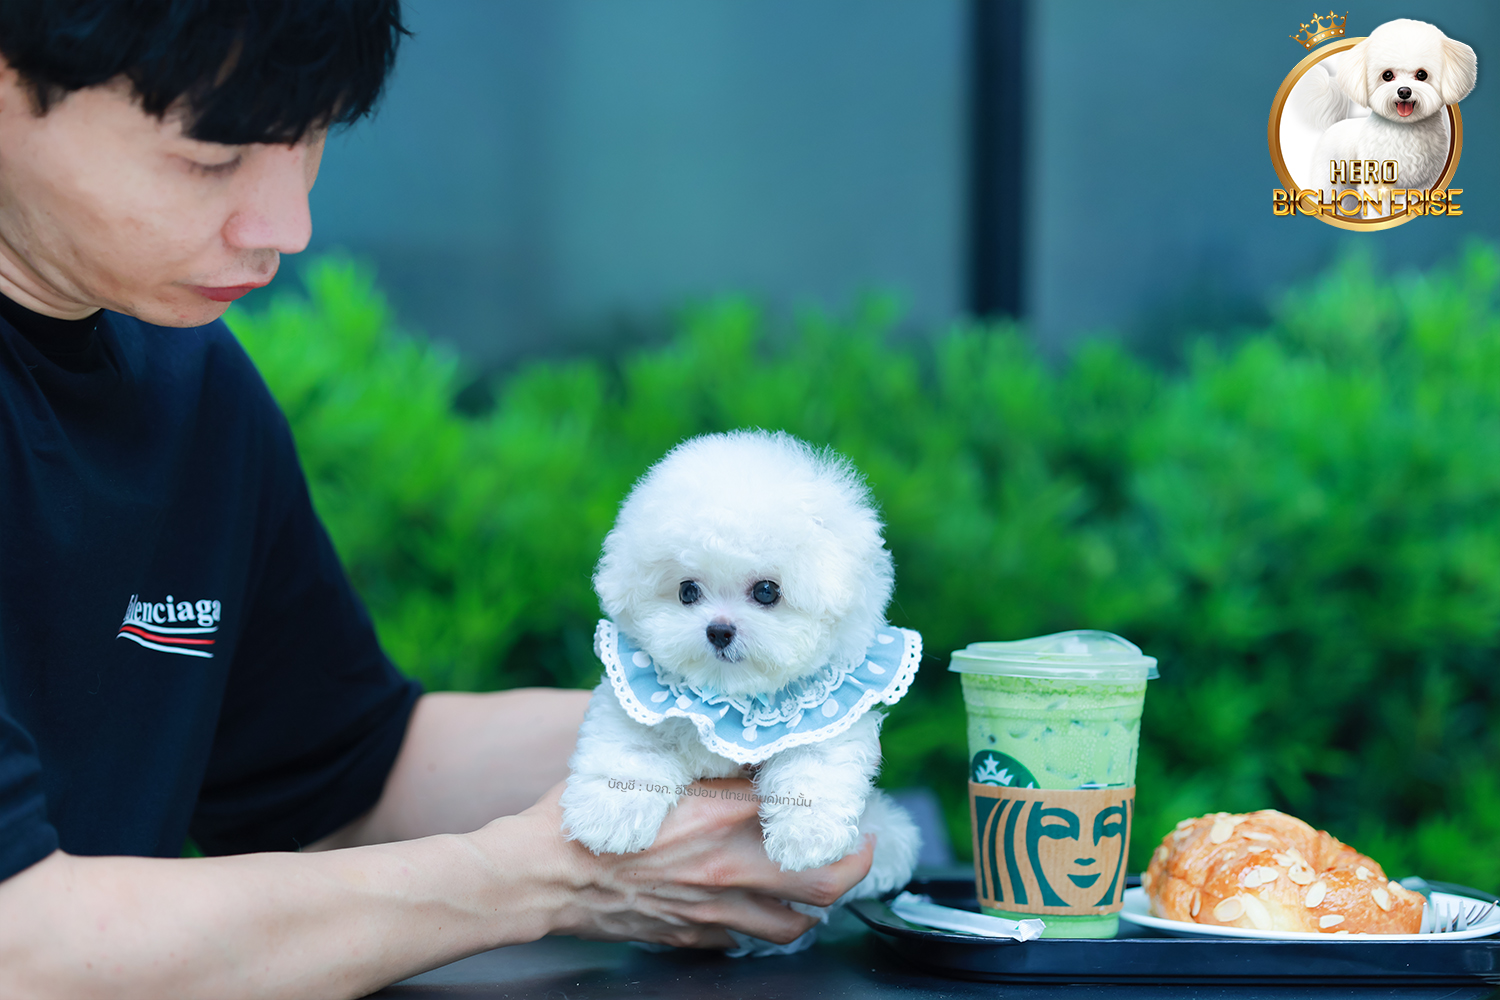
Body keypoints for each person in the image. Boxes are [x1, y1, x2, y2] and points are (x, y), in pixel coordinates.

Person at [0, 2, 875, 996]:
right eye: (213, 157)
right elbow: (20, 944)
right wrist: (541, 878)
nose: (286, 227)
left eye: (312, 138)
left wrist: (743, 717)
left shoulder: (185, 380)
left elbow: (344, 779)